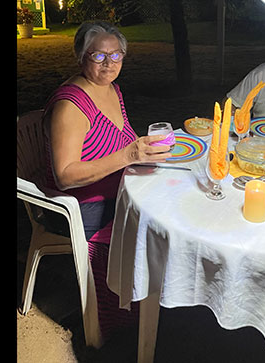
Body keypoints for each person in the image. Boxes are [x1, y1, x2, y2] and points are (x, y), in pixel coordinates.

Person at [41, 20, 172, 342]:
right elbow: (66, 175)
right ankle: (127, 317)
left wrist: (138, 153)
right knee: (157, 228)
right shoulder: (70, 106)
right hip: (79, 207)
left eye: (116, 56)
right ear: (80, 56)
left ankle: (155, 300)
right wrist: (128, 156)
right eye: (98, 56)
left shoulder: (112, 89)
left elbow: (117, 142)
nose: (108, 64)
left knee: (171, 203)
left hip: (118, 190)